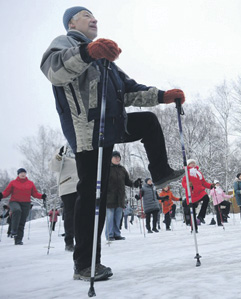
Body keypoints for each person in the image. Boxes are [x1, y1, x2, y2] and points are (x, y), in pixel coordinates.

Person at [40, 6, 186, 280]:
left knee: (148, 122)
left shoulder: (104, 56)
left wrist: (164, 96)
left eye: (94, 16)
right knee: (92, 196)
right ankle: (85, 264)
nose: (94, 19)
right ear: (71, 22)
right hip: (89, 130)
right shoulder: (65, 44)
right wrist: (88, 53)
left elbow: (128, 90)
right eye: (86, 15)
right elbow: (54, 71)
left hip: (112, 123)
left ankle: (161, 172)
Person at [0, 168, 46, 245]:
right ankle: (13, 230)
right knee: (17, 210)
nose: (23, 174)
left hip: (26, 203)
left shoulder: (30, 183)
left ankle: (18, 240)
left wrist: (42, 196)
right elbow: (6, 192)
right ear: (18, 174)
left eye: (24, 173)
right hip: (14, 201)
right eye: (21, 173)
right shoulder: (13, 183)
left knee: (22, 221)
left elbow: (34, 193)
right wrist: (1, 195)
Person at [49, 145, 78, 251]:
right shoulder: (63, 150)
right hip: (68, 187)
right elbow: (54, 167)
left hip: (81, 187)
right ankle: (69, 241)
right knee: (70, 215)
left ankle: (81, 241)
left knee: (81, 214)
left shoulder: (81, 149)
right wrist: (59, 155)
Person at [105, 151, 137, 241]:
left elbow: (127, 181)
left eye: (118, 157)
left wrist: (135, 184)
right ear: (111, 158)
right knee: (110, 217)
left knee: (118, 217)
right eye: (115, 157)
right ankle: (109, 234)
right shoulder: (107, 168)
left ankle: (116, 234)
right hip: (109, 197)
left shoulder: (122, 169)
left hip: (120, 197)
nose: (117, 159)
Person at [181, 159, 214, 231]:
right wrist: (188, 184)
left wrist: (210, 186)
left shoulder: (199, 173)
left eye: (193, 163)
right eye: (191, 164)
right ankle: (194, 228)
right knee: (192, 212)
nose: (192, 164)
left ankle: (201, 216)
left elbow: (204, 183)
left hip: (200, 192)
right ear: (188, 165)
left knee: (206, 198)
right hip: (192, 194)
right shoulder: (187, 174)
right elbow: (183, 183)